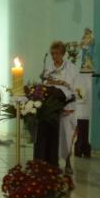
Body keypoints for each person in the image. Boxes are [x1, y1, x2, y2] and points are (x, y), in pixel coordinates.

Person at [36, 41, 78, 169]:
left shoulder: (71, 68)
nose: (54, 56)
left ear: (63, 54)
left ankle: (68, 161)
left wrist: (59, 84)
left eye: (57, 53)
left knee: (66, 135)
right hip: (51, 107)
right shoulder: (48, 69)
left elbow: (74, 87)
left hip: (66, 105)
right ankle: (51, 161)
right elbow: (44, 86)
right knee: (52, 136)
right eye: (52, 54)